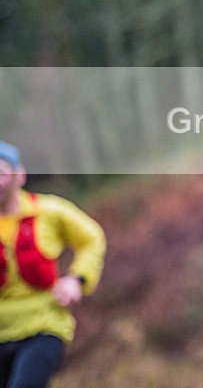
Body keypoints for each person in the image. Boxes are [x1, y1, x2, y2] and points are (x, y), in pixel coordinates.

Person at [0, 141, 106, 387]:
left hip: (43, 326)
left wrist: (77, 279)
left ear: (19, 175)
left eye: (1, 173)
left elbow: (92, 238)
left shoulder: (50, 211)